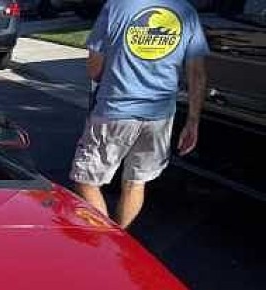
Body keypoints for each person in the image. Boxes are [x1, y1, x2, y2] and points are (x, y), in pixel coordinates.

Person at [70, 0, 209, 230]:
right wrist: (193, 121)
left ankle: (108, 243)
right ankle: (120, 241)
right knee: (135, 182)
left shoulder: (117, 7)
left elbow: (94, 68)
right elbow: (197, 73)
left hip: (115, 110)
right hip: (160, 116)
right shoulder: (186, 11)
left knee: (85, 179)